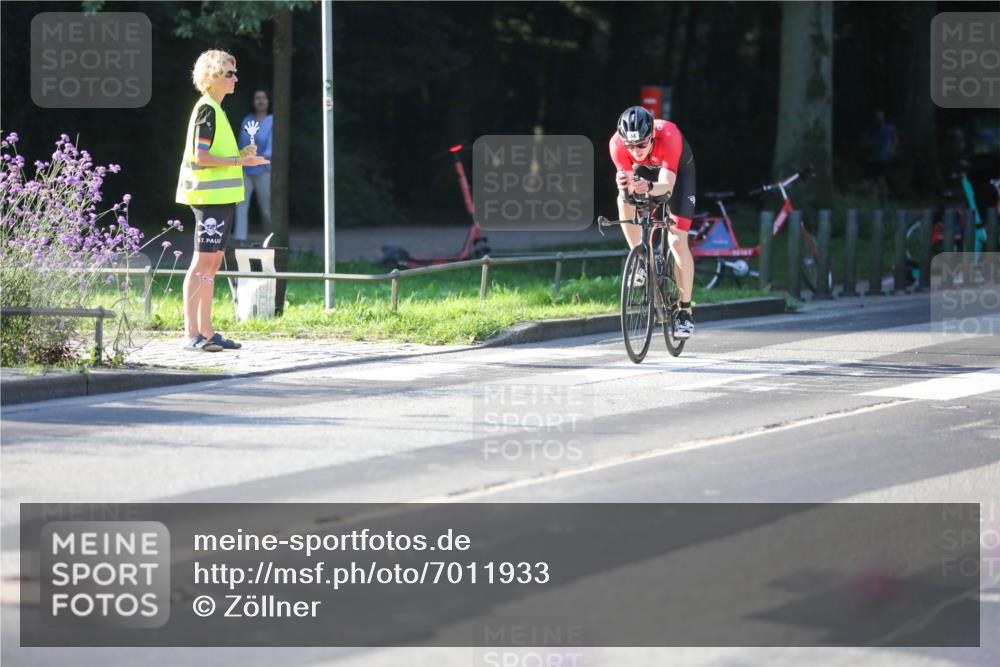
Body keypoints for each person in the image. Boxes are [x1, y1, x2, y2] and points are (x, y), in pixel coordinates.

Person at [175, 49, 270, 352]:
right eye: (229, 73)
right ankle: (193, 334)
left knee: (212, 264)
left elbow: (215, 155)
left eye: (234, 72)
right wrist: (238, 162)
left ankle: (207, 330)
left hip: (222, 199)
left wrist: (240, 157)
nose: (235, 78)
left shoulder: (216, 110)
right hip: (209, 199)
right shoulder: (207, 110)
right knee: (202, 263)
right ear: (212, 77)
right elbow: (201, 157)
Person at [609, 105, 697, 339]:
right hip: (646, 173)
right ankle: (640, 259)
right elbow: (627, 188)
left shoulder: (669, 136)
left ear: (651, 137)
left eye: (641, 145)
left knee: (677, 241)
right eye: (630, 146)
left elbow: (666, 186)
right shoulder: (616, 144)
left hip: (677, 176)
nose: (635, 151)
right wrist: (627, 187)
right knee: (622, 198)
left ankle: (685, 310)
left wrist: (648, 188)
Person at [234, 89, 273, 241]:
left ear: (269, 101)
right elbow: (240, 145)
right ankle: (240, 241)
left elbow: (271, 149)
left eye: (264, 98)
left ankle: (271, 240)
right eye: (257, 98)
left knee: (267, 210)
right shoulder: (247, 120)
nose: (261, 101)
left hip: (264, 170)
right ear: (253, 101)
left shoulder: (273, 121)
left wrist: (256, 157)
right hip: (244, 169)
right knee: (241, 207)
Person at [861, 109, 897, 206]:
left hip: (883, 157)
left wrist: (892, 149)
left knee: (881, 178)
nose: (879, 119)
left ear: (884, 118)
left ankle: (885, 199)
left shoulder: (889, 128)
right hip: (873, 158)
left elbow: (894, 138)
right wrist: (869, 144)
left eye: (881, 117)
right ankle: (875, 199)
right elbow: (864, 142)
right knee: (870, 180)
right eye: (877, 118)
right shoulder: (871, 130)